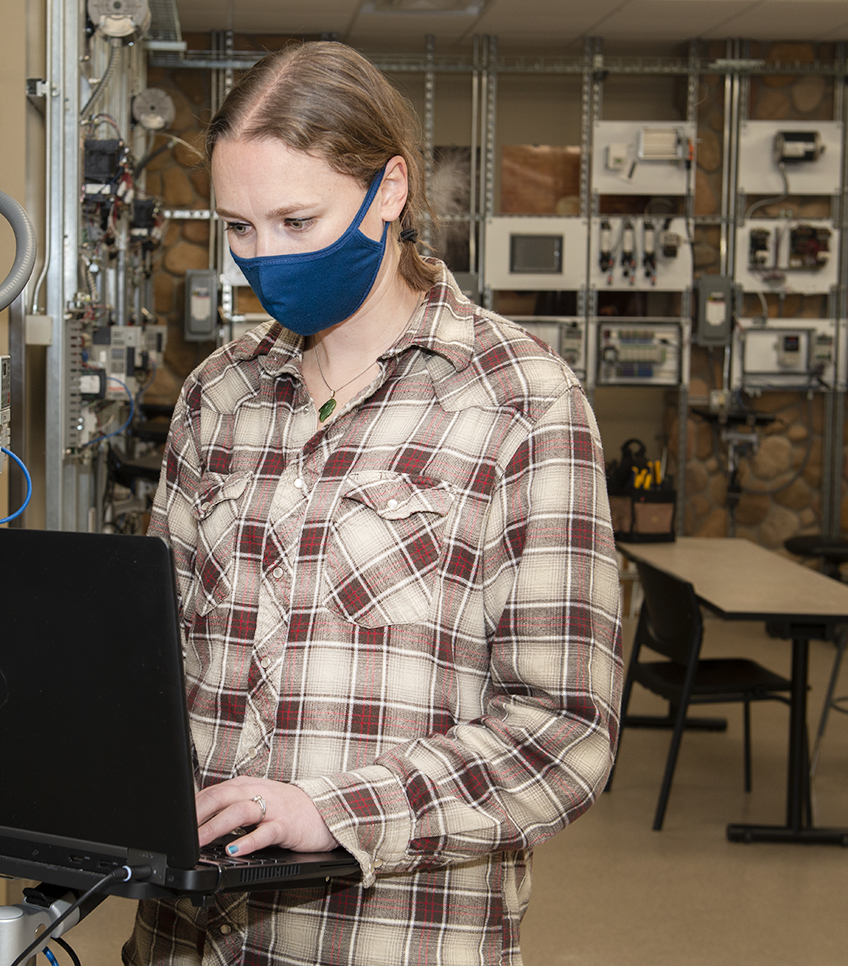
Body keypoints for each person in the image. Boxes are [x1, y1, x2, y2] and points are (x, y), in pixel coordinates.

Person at [127, 42, 623, 966]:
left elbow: (565, 731)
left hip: (386, 936)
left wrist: (332, 814)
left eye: (296, 219)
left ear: (389, 190)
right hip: (187, 937)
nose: (264, 258)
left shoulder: (521, 401)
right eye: (239, 228)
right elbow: (160, 660)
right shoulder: (218, 395)